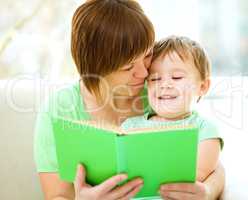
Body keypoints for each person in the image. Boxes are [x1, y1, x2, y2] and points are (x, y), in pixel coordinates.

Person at [34, 1, 225, 199]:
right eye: (128, 67)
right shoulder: (60, 110)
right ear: (96, 69)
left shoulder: (157, 92)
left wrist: (208, 191)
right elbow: (57, 195)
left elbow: (212, 166)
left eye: (147, 55)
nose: (144, 73)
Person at [121, 36, 224, 198]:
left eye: (176, 77)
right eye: (154, 79)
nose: (165, 84)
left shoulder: (205, 130)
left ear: (202, 86)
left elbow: (197, 175)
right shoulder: (129, 126)